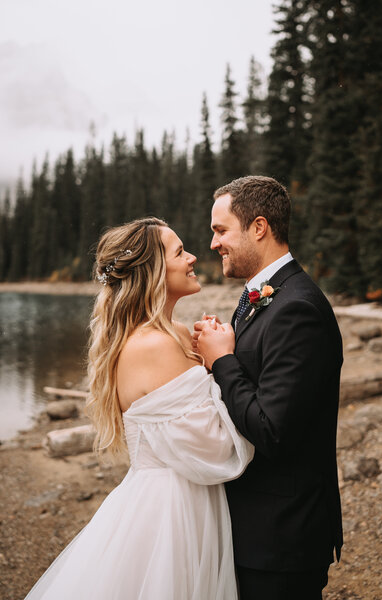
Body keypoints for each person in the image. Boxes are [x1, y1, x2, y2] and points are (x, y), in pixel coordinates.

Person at [25, 217, 254, 600]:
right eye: (180, 252)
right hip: (170, 511)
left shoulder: (176, 334)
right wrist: (222, 360)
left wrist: (209, 353)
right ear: (153, 272)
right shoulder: (152, 345)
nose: (194, 257)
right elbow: (215, 448)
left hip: (189, 497)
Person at [193, 176, 343, 600]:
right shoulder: (265, 297)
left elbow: (272, 429)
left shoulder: (298, 308)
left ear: (259, 227)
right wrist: (219, 351)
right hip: (259, 530)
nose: (212, 243)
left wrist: (223, 360)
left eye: (221, 230)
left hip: (281, 537)